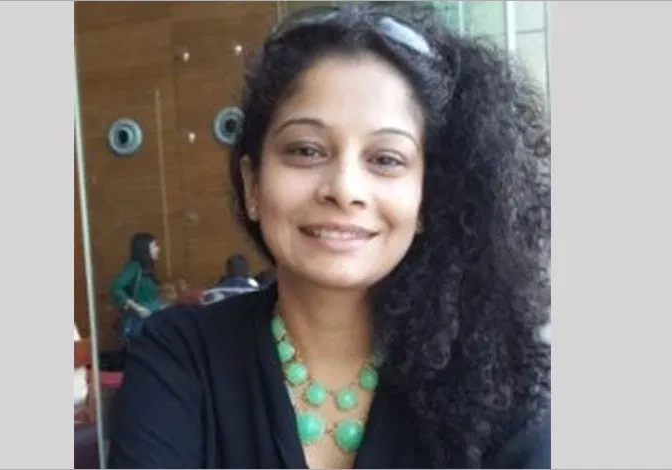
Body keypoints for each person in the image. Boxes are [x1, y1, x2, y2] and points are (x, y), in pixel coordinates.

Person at [109, 4, 550, 469]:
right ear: (252, 184)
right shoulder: (180, 356)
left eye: (385, 159)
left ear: (427, 198)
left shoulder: (503, 384)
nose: (344, 188)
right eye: (306, 150)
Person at [109, 232, 169, 346]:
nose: (158, 249)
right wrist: (137, 308)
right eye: (155, 245)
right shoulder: (134, 267)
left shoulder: (147, 268)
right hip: (140, 324)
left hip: (151, 321)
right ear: (145, 249)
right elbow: (115, 288)